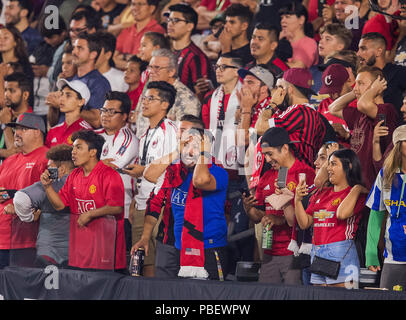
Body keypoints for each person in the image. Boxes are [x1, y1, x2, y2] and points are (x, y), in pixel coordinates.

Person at [132, 121, 229, 280]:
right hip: (180, 248)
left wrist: (204, 154)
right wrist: (177, 151)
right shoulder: (175, 173)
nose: (190, 151)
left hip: (210, 249)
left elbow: (200, 180)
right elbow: (149, 175)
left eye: (196, 146)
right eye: (186, 145)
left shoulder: (218, 173)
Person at [40, 129, 127, 271]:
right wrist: (48, 187)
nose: (73, 152)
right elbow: (60, 205)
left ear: (93, 152)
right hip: (80, 254)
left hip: (106, 253)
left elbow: (116, 207)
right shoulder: (74, 175)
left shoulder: (109, 175)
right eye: (73, 147)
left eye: (78, 147)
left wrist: (90, 213)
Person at [244, 126, 315, 284]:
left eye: (270, 154)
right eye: (265, 155)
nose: (267, 160)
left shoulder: (306, 174)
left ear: (284, 148)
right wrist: (248, 208)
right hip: (269, 252)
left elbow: (307, 220)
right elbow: (259, 216)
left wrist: (280, 219)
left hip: (294, 253)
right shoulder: (267, 176)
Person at [124, 81, 178, 277]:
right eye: (144, 98)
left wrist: (143, 171)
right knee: (141, 261)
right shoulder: (146, 132)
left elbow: (173, 168)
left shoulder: (170, 129)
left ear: (165, 104)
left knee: (156, 264)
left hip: (161, 203)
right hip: (142, 201)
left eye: (151, 98)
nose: (144, 102)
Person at [294, 148, 367, 287]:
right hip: (318, 254)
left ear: (349, 166)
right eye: (329, 164)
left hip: (342, 255)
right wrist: (297, 200)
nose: (328, 168)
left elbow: (342, 214)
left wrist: (356, 188)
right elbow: (304, 223)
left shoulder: (356, 194)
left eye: (334, 164)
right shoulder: (321, 193)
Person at [328, 65, 399, 189]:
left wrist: (373, 90)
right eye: (356, 84)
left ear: (378, 86)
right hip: (355, 185)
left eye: (361, 83)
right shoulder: (359, 114)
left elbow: (363, 104)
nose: (356, 88)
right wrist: (355, 91)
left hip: (373, 186)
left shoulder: (387, 110)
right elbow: (333, 108)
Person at [11, 144, 74, 267]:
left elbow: (20, 199)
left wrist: (29, 217)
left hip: (49, 252)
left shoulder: (49, 185)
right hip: (79, 252)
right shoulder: (86, 182)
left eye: (50, 167)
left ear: (61, 169)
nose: (46, 171)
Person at [255, 68, 331, 168]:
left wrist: (272, 104)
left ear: (290, 89)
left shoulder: (299, 111)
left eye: (281, 87)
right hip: (293, 175)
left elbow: (259, 128)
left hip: (295, 177)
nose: (277, 92)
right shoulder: (311, 113)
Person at [0, 112, 48, 269]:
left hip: (25, 240)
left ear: (37, 131)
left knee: (19, 291)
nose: (17, 133)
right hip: (2, 237)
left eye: (23, 129)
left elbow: (46, 197)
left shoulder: (46, 158)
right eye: (16, 129)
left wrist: (11, 193)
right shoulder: (9, 160)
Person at [96, 91, 138, 263]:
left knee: (115, 263)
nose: (106, 115)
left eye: (112, 112)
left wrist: (89, 164)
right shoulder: (96, 136)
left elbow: (111, 167)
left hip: (121, 213)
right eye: (104, 110)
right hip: (96, 210)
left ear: (125, 116)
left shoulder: (129, 139)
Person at [366, 125, 406, 289]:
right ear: (399, 145)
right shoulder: (386, 175)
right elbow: (376, 215)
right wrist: (370, 252)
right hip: (393, 257)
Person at [133, 49, 201, 139]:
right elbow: (137, 117)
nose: (151, 72)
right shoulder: (149, 89)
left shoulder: (187, 99)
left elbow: (184, 136)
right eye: (150, 67)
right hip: (142, 146)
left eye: (157, 68)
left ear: (171, 72)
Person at [166, 3, 216, 94]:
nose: (170, 24)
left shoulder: (196, 57)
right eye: (169, 20)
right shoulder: (167, 52)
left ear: (190, 26)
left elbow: (201, 96)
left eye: (176, 20)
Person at [357, 32, 406, 115]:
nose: (358, 53)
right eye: (359, 49)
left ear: (379, 51)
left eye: (363, 49)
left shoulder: (399, 73)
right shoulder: (361, 76)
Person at [30, 15, 67, 119]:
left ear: (63, 33)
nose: (47, 40)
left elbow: (59, 74)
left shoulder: (66, 50)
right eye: (45, 37)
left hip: (52, 106)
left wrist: (47, 71)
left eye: (51, 37)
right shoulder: (41, 47)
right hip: (34, 105)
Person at [114, 0, 165, 69]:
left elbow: (145, 63)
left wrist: (123, 57)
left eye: (140, 4)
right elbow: (113, 59)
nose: (135, 8)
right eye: (133, 4)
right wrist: (130, 61)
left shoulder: (157, 31)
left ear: (151, 8)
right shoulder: (126, 31)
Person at [45, 79, 93, 148]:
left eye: (68, 95)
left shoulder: (86, 131)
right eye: (62, 94)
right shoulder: (53, 130)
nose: (61, 99)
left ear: (81, 102)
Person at [317, 63, 354, 147]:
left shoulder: (359, 103)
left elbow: (368, 144)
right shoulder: (324, 104)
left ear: (348, 80)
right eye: (330, 91)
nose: (334, 95)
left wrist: (347, 135)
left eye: (337, 90)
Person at [279, 1, 318, 69]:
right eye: (282, 18)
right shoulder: (279, 40)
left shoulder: (310, 43)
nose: (283, 21)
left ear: (301, 20)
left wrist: (272, 64)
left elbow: (299, 67)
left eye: (287, 17)